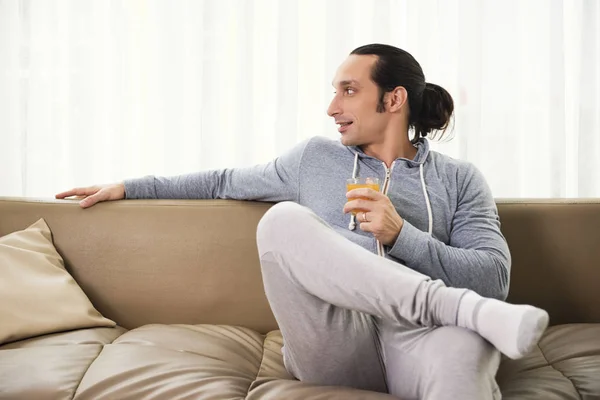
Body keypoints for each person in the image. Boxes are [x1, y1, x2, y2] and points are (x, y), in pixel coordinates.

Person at [56, 44, 549, 399]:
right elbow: (224, 180)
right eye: (335, 92)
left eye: (349, 91)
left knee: (467, 347)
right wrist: (129, 187)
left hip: (421, 341)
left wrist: (402, 236)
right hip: (335, 344)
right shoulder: (314, 160)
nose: (332, 108)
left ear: (393, 99)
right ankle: (452, 307)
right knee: (283, 221)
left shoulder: (460, 180)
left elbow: (494, 279)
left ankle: (458, 317)